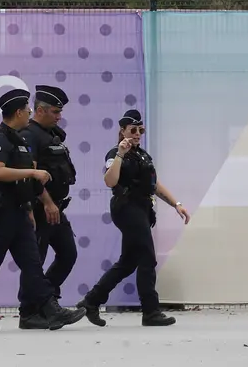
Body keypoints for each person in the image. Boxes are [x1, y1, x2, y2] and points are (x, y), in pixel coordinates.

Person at [0, 88, 87, 332]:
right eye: (28, 110)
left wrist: (30, 207)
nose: (29, 113)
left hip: (20, 211)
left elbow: (24, 182)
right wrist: (32, 172)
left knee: (32, 264)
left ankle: (49, 311)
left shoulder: (19, 141)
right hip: (0, 213)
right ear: (19, 112)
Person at [77, 109, 190, 327]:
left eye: (141, 130)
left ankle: (91, 301)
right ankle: (150, 311)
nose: (137, 134)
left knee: (128, 262)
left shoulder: (143, 155)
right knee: (147, 257)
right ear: (122, 131)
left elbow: (154, 185)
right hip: (126, 208)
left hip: (142, 209)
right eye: (133, 130)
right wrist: (120, 153)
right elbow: (110, 181)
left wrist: (177, 204)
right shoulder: (115, 154)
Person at [19, 84, 79, 300]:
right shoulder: (29, 135)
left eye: (60, 111)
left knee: (68, 254)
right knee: (35, 261)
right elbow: (30, 174)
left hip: (56, 208)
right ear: (40, 110)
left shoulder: (51, 134)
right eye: (55, 112)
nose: (59, 117)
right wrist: (46, 202)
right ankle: (30, 308)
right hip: (41, 208)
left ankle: (47, 299)